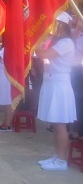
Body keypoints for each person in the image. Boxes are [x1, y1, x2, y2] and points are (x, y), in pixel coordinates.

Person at [35, 12, 77, 171]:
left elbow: (44, 55)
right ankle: (57, 156)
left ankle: (61, 161)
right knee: (56, 124)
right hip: (51, 82)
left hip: (60, 84)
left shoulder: (66, 42)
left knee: (60, 125)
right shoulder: (56, 41)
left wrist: (35, 43)